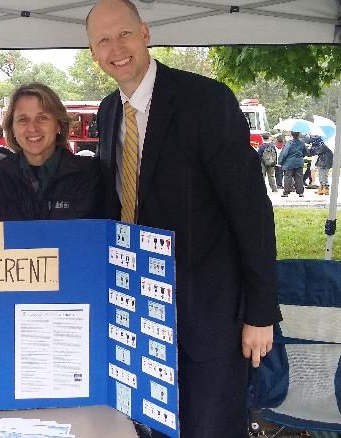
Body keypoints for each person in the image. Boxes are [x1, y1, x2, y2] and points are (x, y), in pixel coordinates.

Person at [85, 1, 281, 437]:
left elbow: (250, 209)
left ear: (146, 34)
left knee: (209, 428)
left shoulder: (206, 101)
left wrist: (261, 312)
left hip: (208, 316)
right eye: (102, 40)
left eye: (124, 34)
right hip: (137, 311)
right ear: (93, 53)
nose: (115, 48)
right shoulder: (108, 111)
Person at [0, 82, 104, 221]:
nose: (33, 128)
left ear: (59, 124)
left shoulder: (90, 175)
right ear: (12, 129)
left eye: (42, 118)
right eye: (23, 120)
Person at [278, 131, 308, 197]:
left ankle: (286, 192)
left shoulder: (289, 144)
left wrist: (280, 162)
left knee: (288, 177)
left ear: (291, 135)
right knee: (299, 177)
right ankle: (300, 192)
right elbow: (306, 152)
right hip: (299, 162)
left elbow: (284, 153)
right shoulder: (302, 143)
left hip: (289, 163)